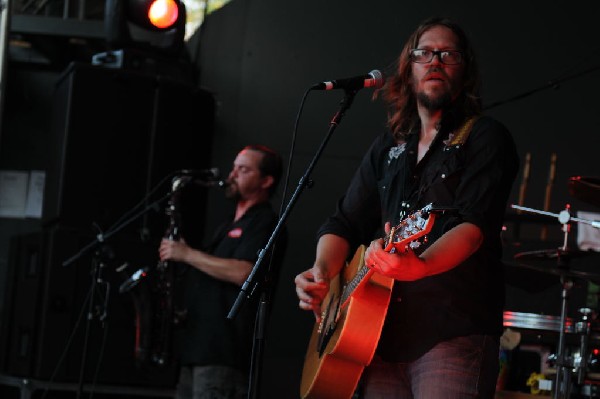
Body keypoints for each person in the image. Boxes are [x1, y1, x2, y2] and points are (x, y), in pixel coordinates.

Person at [294, 16, 519, 398]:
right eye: (424, 53)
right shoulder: (389, 146)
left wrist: (422, 266)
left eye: (448, 54)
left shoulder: (485, 137)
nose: (435, 61)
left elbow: (472, 226)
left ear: (464, 72)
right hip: (374, 336)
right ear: (408, 70)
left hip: (450, 329)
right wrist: (321, 272)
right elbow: (344, 222)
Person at [159, 144, 285, 399]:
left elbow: (244, 273)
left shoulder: (265, 222)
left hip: (223, 355)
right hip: (195, 349)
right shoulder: (227, 224)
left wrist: (187, 254)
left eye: (243, 169)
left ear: (266, 181)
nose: (232, 175)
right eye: (234, 168)